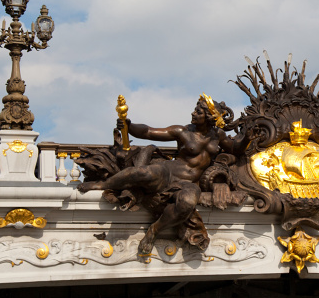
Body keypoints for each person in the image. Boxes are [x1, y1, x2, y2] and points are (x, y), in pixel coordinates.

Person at [78, 94, 247, 255]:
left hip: (189, 184)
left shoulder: (218, 136)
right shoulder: (183, 131)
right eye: (195, 110)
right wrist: (129, 126)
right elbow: (149, 132)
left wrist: (247, 138)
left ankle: (154, 230)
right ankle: (102, 184)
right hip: (169, 172)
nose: (193, 113)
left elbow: (235, 148)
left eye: (198, 112)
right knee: (142, 172)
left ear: (209, 117)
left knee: (187, 203)